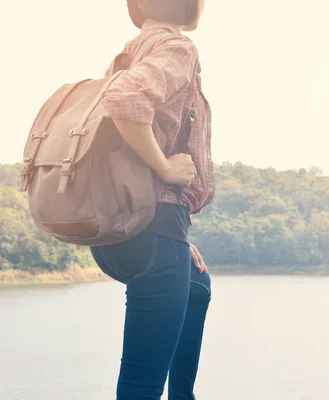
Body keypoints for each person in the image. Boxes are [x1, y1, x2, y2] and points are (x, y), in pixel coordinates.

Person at [89, 0, 214, 399]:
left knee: (198, 284)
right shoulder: (178, 48)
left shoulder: (131, 50)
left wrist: (177, 236)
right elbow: (125, 100)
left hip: (119, 231)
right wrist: (164, 168)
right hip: (154, 235)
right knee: (140, 389)